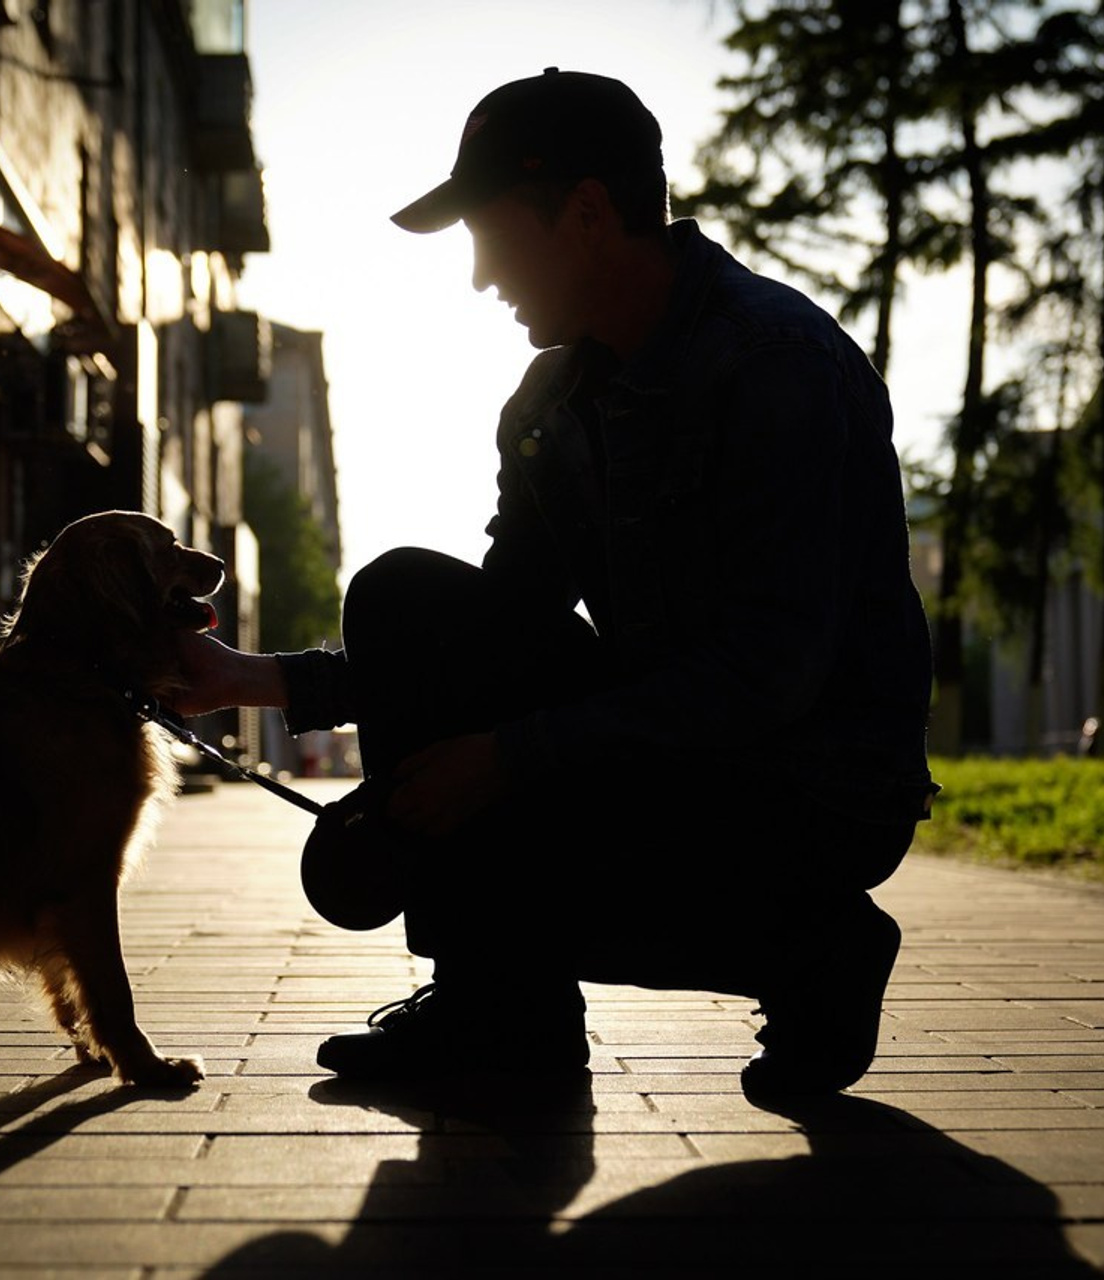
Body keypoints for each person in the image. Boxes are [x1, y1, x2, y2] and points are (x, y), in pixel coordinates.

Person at [177, 68, 938, 1100]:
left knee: (511, 830)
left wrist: (510, 758)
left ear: (584, 213)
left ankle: (813, 945)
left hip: (803, 790)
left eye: (489, 239)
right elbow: (487, 638)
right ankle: (501, 1017)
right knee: (405, 594)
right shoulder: (551, 400)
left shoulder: (773, 366)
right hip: (656, 755)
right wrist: (255, 680)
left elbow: (767, 674)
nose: (481, 278)